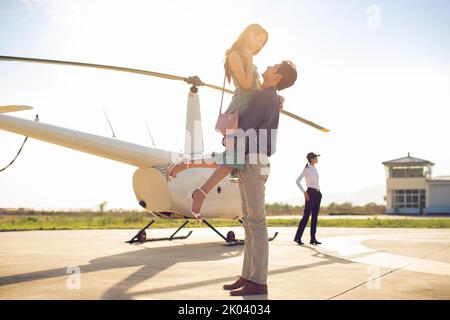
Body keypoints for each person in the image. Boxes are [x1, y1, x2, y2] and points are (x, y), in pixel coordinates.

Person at [167, 23, 269, 219]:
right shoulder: (235, 55)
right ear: (249, 34)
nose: (259, 45)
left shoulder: (251, 63)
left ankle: (192, 176)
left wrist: (276, 99)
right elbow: (247, 84)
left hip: (249, 118)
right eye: (259, 39)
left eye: (262, 43)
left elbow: (258, 90)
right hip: (237, 117)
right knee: (232, 161)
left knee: (231, 162)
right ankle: (195, 184)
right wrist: (248, 56)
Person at [221, 61, 298, 296]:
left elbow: (245, 124)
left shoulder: (266, 96)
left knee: (256, 222)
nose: (267, 65)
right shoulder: (270, 96)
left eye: (273, 65)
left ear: (276, 77)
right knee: (249, 223)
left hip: (254, 159)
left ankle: (258, 280)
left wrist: (227, 137)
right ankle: (248, 276)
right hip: (251, 158)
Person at [294, 152, 322, 245]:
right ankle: (298, 237)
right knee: (306, 216)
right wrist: (304, 192)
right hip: (310, 193)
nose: (317, 159)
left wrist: (318, 192)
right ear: (312, 159)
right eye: (316, 157)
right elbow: (297, 181)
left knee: (315, 217)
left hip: (317, 194)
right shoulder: (307, 169)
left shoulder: (314, 168)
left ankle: (313, 239)